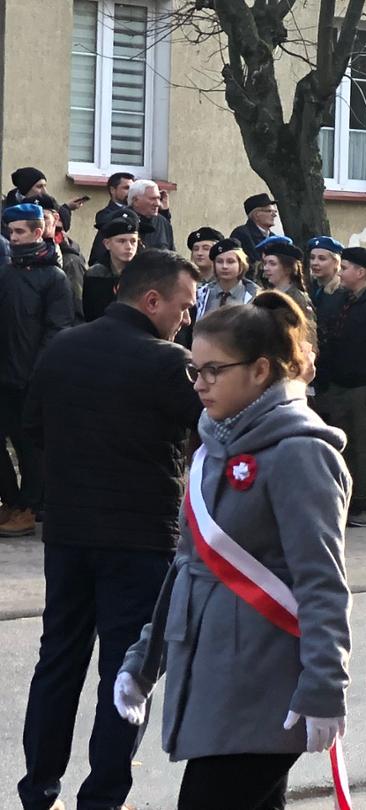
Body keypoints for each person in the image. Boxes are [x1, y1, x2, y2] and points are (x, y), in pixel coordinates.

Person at [114, 290, 352, 810]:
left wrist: (323, 685)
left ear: (261, 370)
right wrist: (145, 660)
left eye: (213, 370)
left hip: (264, 679)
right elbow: (187, 567)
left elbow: (321, 581)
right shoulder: (215, 444)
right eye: (194, 371)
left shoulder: (300, 454)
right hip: (213, 670)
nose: (199, 384)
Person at [17, 250, 198, 810]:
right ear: (152, 300)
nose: (185, 318)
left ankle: (38, 788)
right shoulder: (169, 362)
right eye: (183, 306)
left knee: (58, 660)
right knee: (128, 671)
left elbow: (32, 430)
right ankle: (102, 798)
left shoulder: (62, 348)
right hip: (141, 538)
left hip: (69, 533)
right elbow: (209, 430)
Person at [1, 204, 77, 528]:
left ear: (37, 232)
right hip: (4, 375)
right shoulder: (6, 273)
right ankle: (12, 500)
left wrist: (37, 373)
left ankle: (30, 508)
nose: (14, 238)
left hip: (31, 377)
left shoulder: (54, 278)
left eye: (20, 231)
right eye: (10, 232)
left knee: (30, 446)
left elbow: (57, 329)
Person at [312, 246, 366, 527]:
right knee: (345, 445)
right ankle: (347, 499)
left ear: (361, 272)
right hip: (340, 386)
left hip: (365, 389)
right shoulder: (345, 300)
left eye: (345, 267)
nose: (341, 271)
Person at [82, 212, 140, 321]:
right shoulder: (95, 274)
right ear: (107, 244)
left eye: (133, 241)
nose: (129, 247)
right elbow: (90, 313)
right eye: (121, 241)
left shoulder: (145, 273)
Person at [195, 238, 260, 318]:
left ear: (241, 264)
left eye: (230, 261)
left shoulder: (255, 295)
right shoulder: (202, 294)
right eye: (219, 261)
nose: (224, 266)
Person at [258, 237, 316, 326]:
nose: (266, 268)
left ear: (288, 269)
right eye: (265, 263)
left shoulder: (299, 299)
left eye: (272, 264)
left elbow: (309, 333)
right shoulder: (264, 295)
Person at [127, 180, 173, 254]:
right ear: (135, 200)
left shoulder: (163, 222)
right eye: (152, 199)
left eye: (158, 198)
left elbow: (172, 255)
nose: (158, 203)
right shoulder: (121, 220)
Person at [229, 193, 278, 258]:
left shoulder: (274, 238)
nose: (274, 215)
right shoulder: (241, 234)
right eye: (269, 211)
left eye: (275, 212)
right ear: (256, 215)